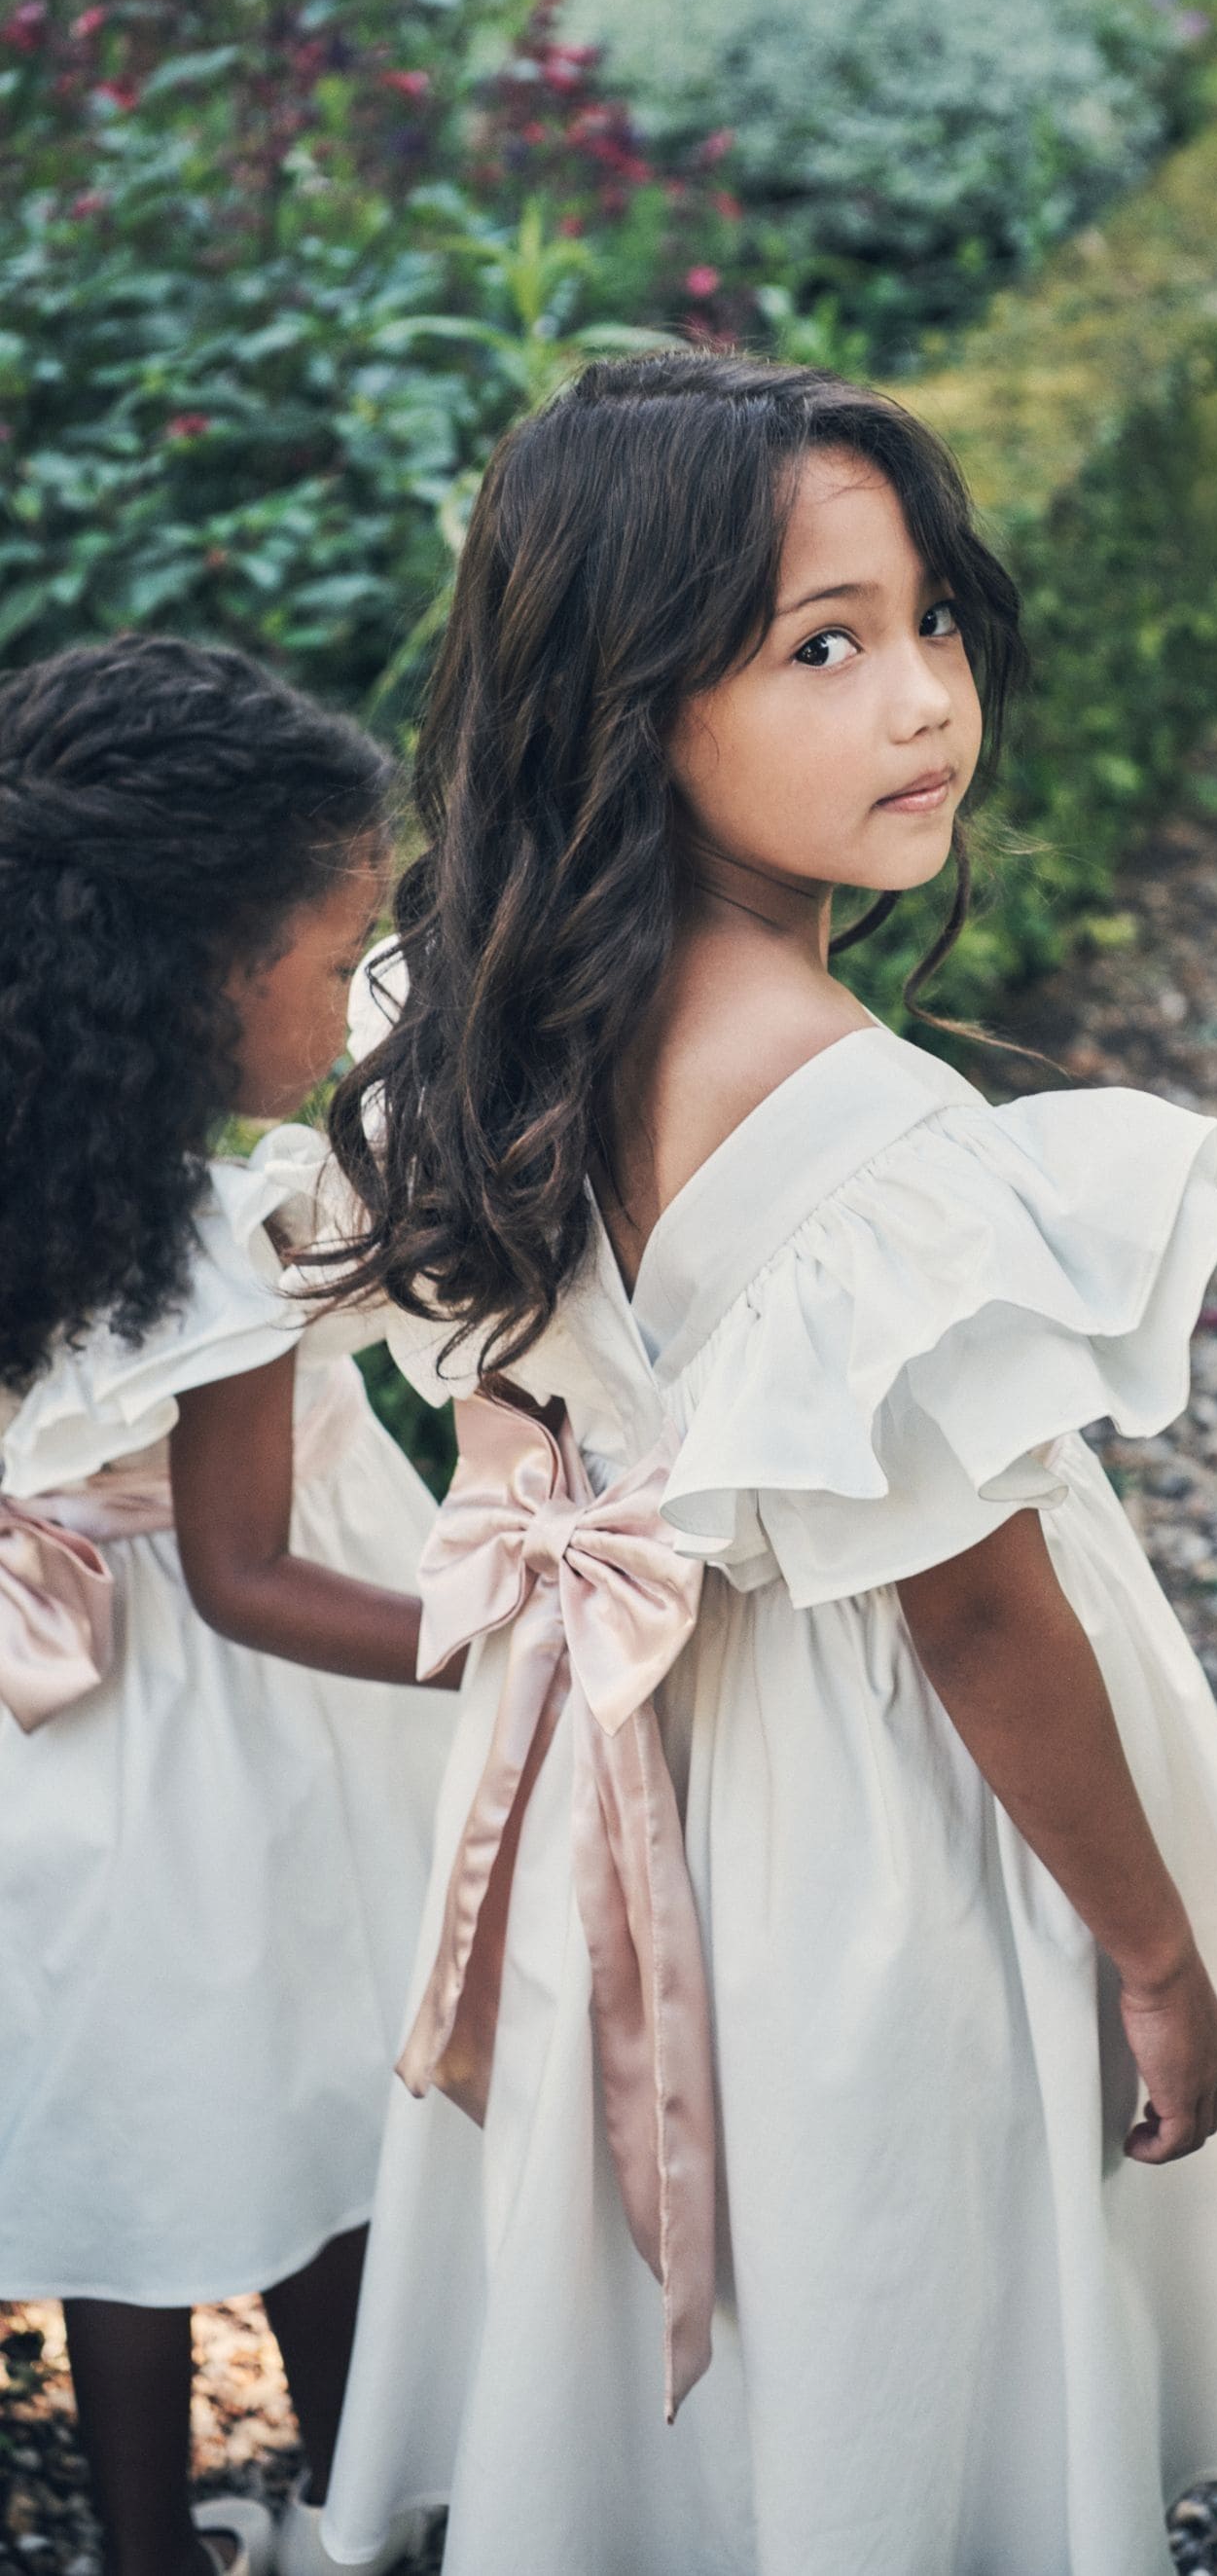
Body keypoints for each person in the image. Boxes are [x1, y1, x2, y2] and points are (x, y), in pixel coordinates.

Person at [317, 351, 1217, 2576]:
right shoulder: (870, 1130)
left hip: (611, 1765)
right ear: (633, 696)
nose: (922, 696)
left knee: (698, 2289)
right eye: (821, 647)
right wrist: (1150, 1943)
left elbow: (506, 1397)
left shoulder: (456, 1000)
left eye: (930, 621)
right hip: (870, 1814)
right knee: (899, 2276)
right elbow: (976, 1606)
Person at [0, 636, 461, 2576]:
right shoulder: (216, 1245)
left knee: (128, 2126)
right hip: (243, 1748)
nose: (354, 1009)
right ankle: (363, 2508)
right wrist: (510, 1635)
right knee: (320, 2116)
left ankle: (136, 2545)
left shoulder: (42, 1179)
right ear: (202, 967)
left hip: (66, 1754)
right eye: (332, 953)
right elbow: (260, 1577)